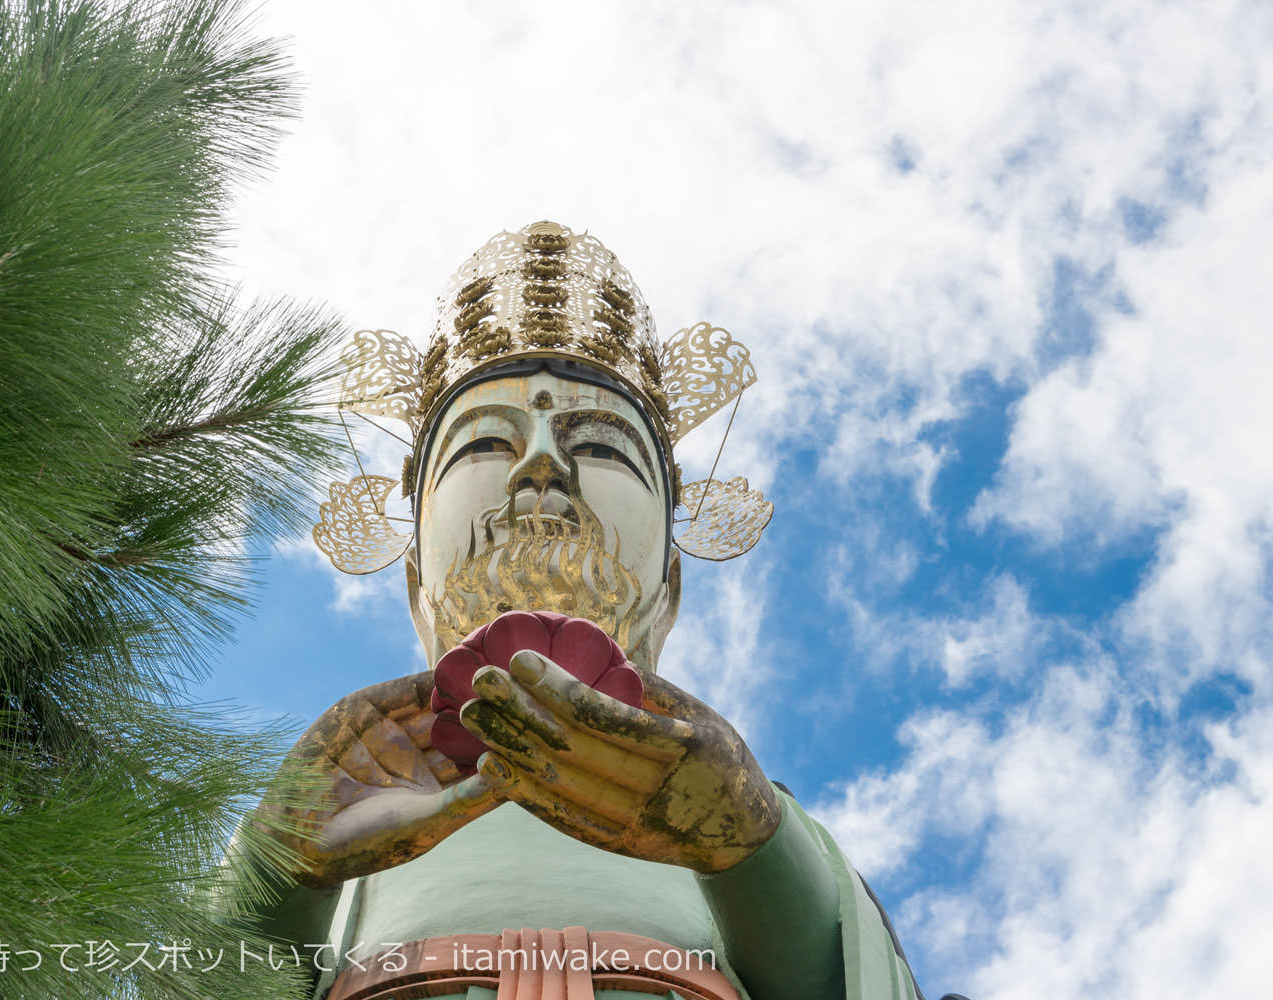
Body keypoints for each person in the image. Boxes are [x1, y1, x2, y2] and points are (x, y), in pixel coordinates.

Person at [232, 223, 924, 1000]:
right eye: (482, 445)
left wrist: (749, 847)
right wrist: (283, 869)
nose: (541, 467)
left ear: (671, 585)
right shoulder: (351, 799)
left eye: (601, 447)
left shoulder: (762, 823)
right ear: (413, 578)